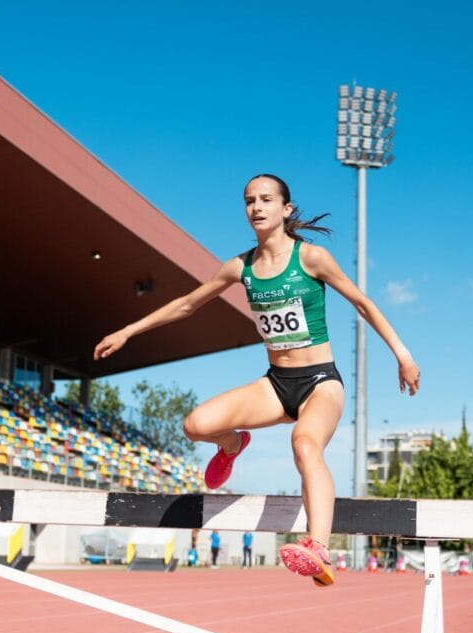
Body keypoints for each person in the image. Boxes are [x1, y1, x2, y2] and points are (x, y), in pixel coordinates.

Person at [94, 174, 420, 588]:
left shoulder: (312, 259)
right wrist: (127, 331)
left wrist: (403, 355)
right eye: (249, 201)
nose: (256, 207)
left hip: (320, 381)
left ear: (285, 209)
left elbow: (362, 302)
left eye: (266, 199)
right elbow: (187, 305)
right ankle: (233, 443)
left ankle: (318, 547)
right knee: (195, 425)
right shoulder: (240, 267)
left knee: (304, 443)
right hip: (276, 384)